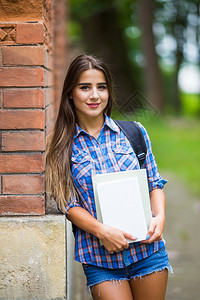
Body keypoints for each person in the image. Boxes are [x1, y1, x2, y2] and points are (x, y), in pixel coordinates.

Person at [45, 54, 172, 300]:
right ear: (70, 92)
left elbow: (154, 183)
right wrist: (103, 231)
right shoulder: (61, 146)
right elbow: (68, 204)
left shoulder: (134, 132)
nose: (95, 95)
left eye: (101, 87)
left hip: (148, 251)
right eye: (85, 87)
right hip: (99, 258)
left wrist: (161, 216)